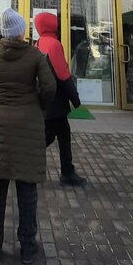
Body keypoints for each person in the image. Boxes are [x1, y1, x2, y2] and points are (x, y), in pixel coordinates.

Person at [0, 7, 56, 264]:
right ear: (20, 31)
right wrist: (37, 106)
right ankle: (28, 248)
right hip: (28, 127)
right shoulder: (35, 55)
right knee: (27, 188)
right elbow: (49, 87)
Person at [34, 11, 87, 187]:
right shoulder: (54, 44)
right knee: (51, 136)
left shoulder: (38, 43)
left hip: (45, 98)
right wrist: (75, 99)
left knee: (60, 134)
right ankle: (66, 172)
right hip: (55, 101)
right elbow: (63, 74)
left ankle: (67, 171)